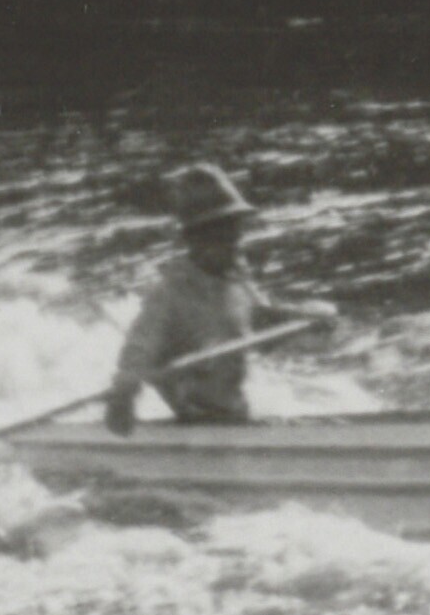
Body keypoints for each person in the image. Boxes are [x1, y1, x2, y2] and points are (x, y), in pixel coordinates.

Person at [103, 164, 337, 436]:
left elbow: (260, 323)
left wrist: (304, 319)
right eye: (223, 235)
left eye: (236, 231)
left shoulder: (237, 277)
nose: (235, 244)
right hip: (193, 423)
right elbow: (136, 353)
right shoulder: (169, 294)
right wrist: (123, 397)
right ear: (196, 240)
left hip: (233, 415)